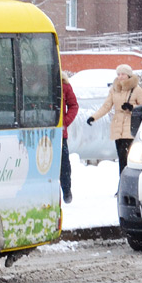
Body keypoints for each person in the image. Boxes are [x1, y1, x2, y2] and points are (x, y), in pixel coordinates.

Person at [87, 64, 142, 177]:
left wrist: (131, 108)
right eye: (118, 74)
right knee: (121, 158)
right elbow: (106, 106)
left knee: (129, 159)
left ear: (129, 75)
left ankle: (130, 184)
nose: (120, 77)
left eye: (123, 74)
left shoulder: (137, 90)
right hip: (117, 128)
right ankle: (122, 184)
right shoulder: (114, 90)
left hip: (130, 128)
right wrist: (94, 117)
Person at [60, 71, 79, 204]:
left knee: (64, 165)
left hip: (60, 134)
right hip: (44, 132)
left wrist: (65, 121)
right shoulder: (42, 85)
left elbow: (73, 105)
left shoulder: (64, 86)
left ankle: (67, 190)